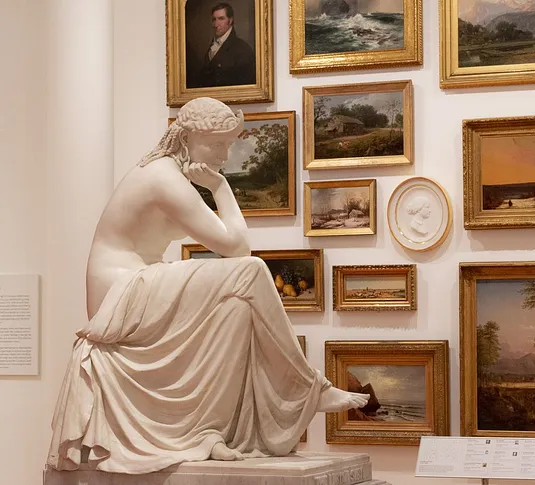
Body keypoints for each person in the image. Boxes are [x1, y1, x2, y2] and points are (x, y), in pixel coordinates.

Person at [46, 97, 369, 474]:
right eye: (217, 144)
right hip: (120, 290)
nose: (225, 154)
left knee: (235, 308)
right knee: (249, 272)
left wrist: (216, 185)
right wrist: (221, 188)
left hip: (142, 281)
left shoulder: (173, 175)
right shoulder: (163, 178)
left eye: (229, 143)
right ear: (184, 138)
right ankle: (307, 385)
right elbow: (238, 248)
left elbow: (229, 241)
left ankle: (205, 431)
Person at [188, 2, 256, 88]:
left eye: (221, 19)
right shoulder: (212, 46)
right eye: (214, 19)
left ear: (230, 20)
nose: (216, 25)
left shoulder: (243, 50)